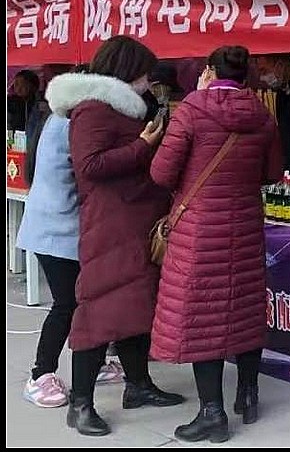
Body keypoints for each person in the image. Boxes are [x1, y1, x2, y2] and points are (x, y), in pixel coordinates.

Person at [149, 46, 283, 443]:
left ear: (209, 71)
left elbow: (161, 173)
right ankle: (249, 394)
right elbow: (273, 172)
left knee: (202, 315)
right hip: (245, 227)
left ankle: (212, 412)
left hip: (200, 232)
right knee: (244, 309)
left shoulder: (191, 110)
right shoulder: (263, 115)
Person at [55, 36, 184, 436]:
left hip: (136, 220)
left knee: (134, 306)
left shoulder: (125, 108)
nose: (149, 81)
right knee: (99, 309)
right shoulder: (93, 109)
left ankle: (139, 384)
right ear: (128, 70)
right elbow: (90, 166)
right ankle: (80, 403)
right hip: (109, 225)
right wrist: (144, 145)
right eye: (144, 73)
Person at [17, 65, 126, 409]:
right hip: (56, 231)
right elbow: (93, 171)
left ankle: (96, 363)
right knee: (66, 303)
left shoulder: (58, 118)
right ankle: (40, 374)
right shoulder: (73, 125)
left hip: (58, 228)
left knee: (86, 300)